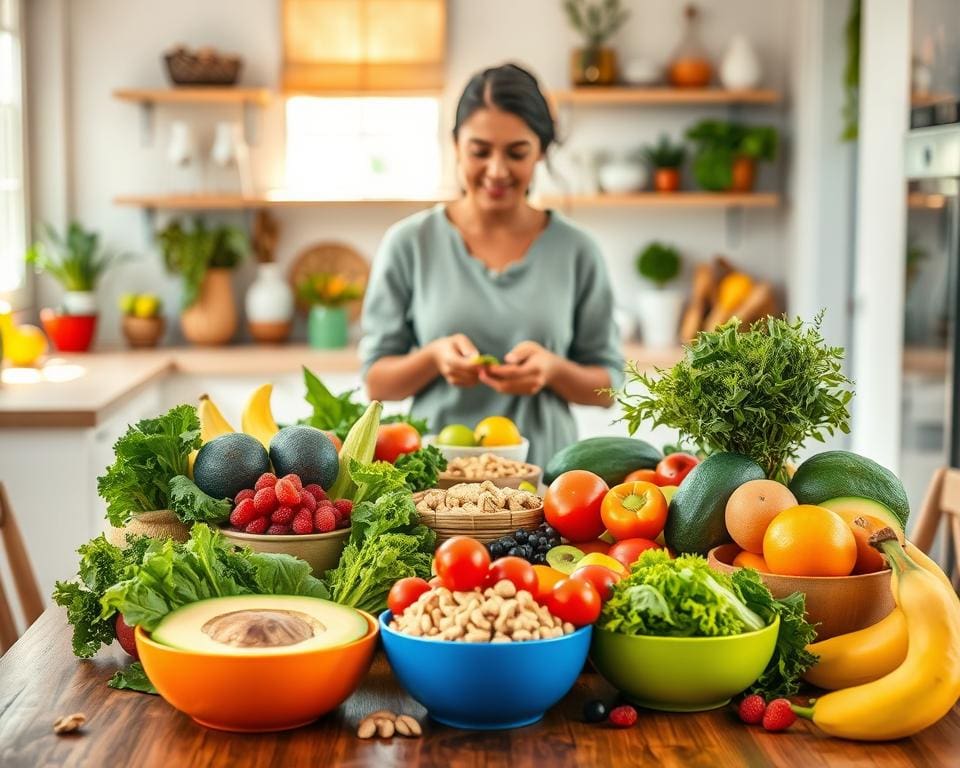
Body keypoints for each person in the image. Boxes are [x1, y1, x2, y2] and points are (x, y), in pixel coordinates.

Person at [360, 63, 623, 466]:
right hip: (435, 479)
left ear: (541, 151)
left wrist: (552, 370)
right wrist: (433, 357)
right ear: (455, 145)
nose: (497, 171)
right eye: (480, 151)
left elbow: (609, 384)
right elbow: (377, 382)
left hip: (548, 481)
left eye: (517, 153)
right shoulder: (410, 243)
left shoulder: (577, 250)